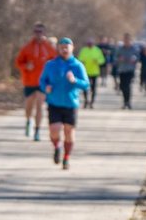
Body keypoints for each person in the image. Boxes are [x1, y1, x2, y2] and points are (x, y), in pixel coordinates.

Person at [39, 38, 89, 170]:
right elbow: (42, 81)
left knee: (69, 132)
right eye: (62, 47)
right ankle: (57, 147)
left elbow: (86, 84)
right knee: (54, 131)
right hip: (54, 102)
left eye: (67, 47)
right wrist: (46, 87)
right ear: (58, 49)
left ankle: (66, 158)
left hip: (71, 103)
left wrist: (75, 80)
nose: (64, 49)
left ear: (72, 48)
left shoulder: (77, 65)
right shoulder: (50, 64)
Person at [14, 22, 57, 141]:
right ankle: (28, 121)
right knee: (29, 106)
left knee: (40, 106)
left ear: (44, 33)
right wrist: (26, 66)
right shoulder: (27, 47)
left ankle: (37, 131)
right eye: (36, 32)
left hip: (43, 82)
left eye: (40, 32)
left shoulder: (49, 48)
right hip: (29, 81)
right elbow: (18, 62)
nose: (38, 34)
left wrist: (52, 77)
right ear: (33, 33)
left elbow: (55, 63)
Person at [77, 38, 106, 109]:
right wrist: (82, 61)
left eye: (91, 43)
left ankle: (92, 102)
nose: (90, 44)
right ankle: (86, 100)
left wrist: (97, 61)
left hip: (95, 72)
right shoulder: (84, 50)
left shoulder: (97, 50)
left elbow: (102, 60)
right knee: (85, 87)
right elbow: (79, 59)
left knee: (93, 88)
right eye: (88, 43)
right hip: (85, 72)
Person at [115, 33, 138, 109]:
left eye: (128, 40)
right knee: (122, 86)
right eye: (125, 40)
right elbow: (115, 58)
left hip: (130, 70)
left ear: (130, 40)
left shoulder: (134, 48)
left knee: (127, 86)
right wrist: (119, 59)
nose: (126, 42)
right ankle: (125, 101)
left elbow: (138, 57)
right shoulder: (120, 49)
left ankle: (127, 102)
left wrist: (134, 59)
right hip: (122, 69)